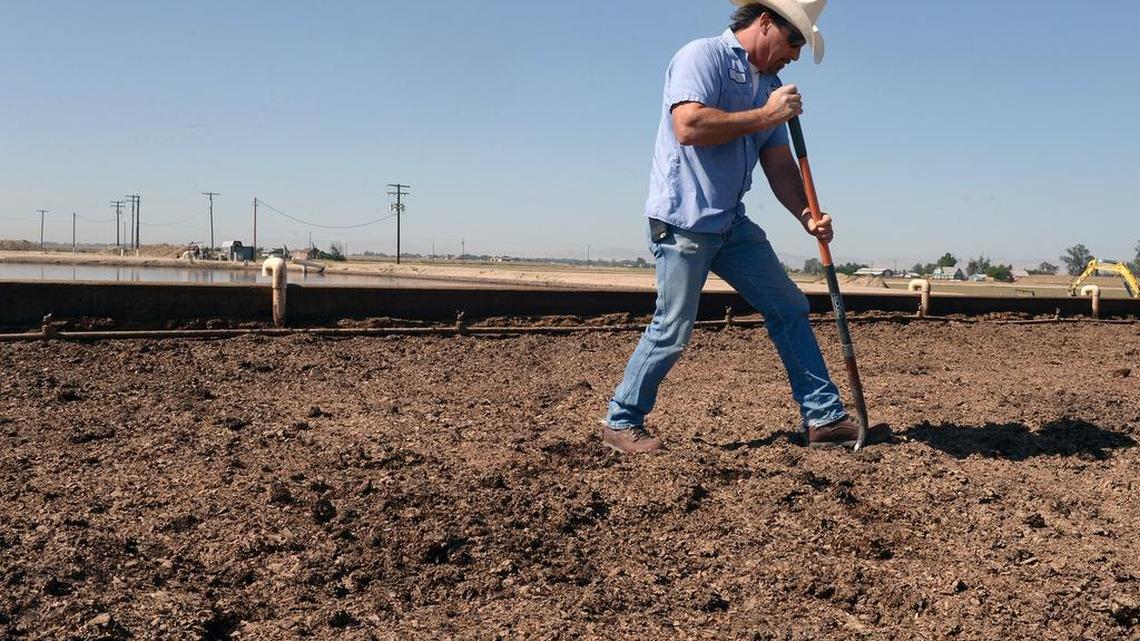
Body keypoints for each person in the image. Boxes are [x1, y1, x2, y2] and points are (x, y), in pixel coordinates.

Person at [602, 0, 863, 454]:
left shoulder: (770, 84)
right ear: (765, 23)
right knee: (673, 328)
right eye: (794, 41)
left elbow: (779, 165)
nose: (796, 54)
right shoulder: (701, 57)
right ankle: (621, 420)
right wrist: (767, 115)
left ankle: (823, 417)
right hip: (682, 221)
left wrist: (806, 215)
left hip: (730, 223)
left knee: (788, 305)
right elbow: (689, 125)